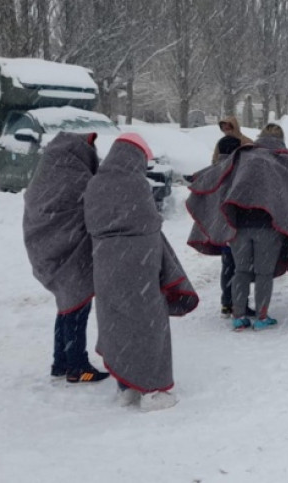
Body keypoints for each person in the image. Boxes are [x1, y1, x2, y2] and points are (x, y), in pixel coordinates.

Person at [84, 133, 199, 410]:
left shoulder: (95, 183)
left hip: (105, 263)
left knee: (116, 324)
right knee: (148, 326)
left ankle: (126, 387)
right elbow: (149, 223)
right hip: (139, 264)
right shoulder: (135, 184)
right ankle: (152, 390)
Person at [187, 125, 288, 331]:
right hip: (268, 227)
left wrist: (197, 180)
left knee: (241, 271)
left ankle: (238, 316)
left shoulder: (244, 155)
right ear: (281, 140)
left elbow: (221, 173)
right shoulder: (283, 160)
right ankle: (261, 317)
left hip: (239, 227)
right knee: (264, 273)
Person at [22, 132, 109, 384]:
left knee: (67, 304)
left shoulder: (50, 169)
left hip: (48, 248)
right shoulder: (75, 176)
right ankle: (77, 366)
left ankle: (60, 361)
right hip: (68, 250)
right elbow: (93, 200)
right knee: (77, 304)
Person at [214, 135, 246, 317]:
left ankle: (227, 302)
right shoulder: (237, 169)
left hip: (220, 225)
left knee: (227, 266)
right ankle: (238, 303)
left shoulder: (216, 169)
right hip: (236, 226)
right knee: (239, 268)